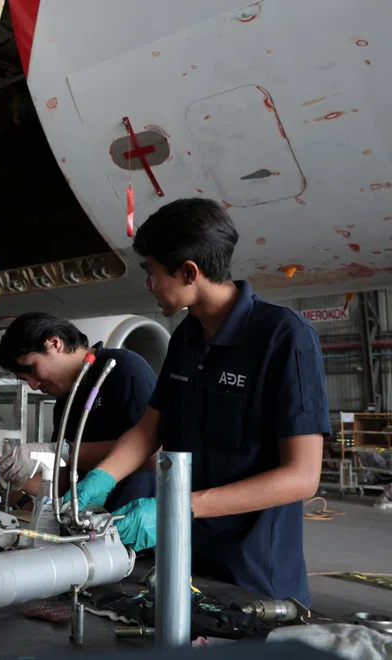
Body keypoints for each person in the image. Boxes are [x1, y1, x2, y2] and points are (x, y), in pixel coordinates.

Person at [75, 197, 329, 606]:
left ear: (189, 272)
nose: (149, 285)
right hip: (183, 559)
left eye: (152, 273)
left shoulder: (284, 336)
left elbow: (301, 477)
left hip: (254, 575)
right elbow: (148, 430)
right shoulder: (186, 338)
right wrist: (100, 478)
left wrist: (175, 510)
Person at [0, 313, 157, 512]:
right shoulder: (65, 401)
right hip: (90, 525)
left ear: (54, 343)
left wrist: (61, 451)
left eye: (32, 369)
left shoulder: (123, 369)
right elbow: (63, 482)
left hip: (133, 519)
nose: (33, 385)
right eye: (25, 379)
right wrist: (15, 477)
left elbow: (152, 454)